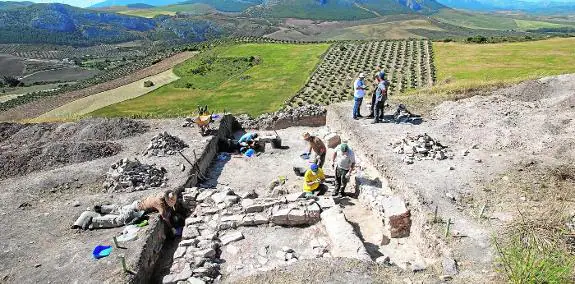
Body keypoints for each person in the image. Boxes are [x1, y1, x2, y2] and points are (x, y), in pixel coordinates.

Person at [73, 190, 178, 233]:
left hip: (136, 203)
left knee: (121, 209)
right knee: (118, 221)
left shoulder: (161, 194)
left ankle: (102, 208)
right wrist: (172, 228)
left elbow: (168, 209)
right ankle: (93, 220)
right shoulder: (159, 203)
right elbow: (164, 217)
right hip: (134, 210)